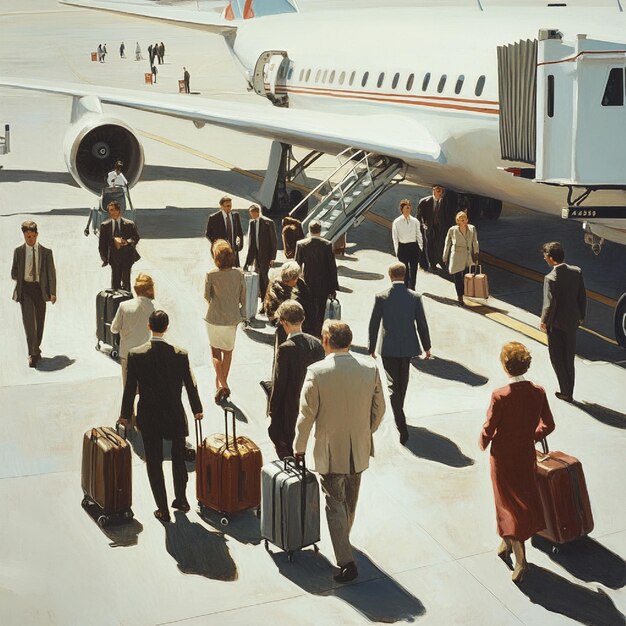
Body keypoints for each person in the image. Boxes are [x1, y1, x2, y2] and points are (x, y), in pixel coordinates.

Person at [294, 321, 385, 583]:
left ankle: (345, 561)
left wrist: (299, 448)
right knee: (350, 500)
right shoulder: (369, 368)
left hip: (329, 450)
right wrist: (365, 431)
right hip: (358, 448)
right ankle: (344, 539)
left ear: (325, 341)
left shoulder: (316, 372)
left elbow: (306, 415)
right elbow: (379, 409)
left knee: (334, 504)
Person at [479, 341, 555, 583]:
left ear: (505, 366)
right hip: (525, 455)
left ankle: (521, 560)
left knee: (507, 504)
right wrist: (531, 436)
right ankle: (506, 543)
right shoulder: (538, 392)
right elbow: (549, 425)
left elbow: (490, 428)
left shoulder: (500, 396)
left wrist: (482, 441)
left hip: (502, 457)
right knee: (520, 501)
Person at [118, 310, 203, 524]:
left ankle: (162, 509)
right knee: (178, 459)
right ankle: (181, 499)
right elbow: (190, 385)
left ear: (149, 326)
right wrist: (197, 409)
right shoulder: (180, 354)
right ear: (166, 327)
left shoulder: (136, 355)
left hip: (149, 415)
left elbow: (130, 389)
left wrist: (125, 415)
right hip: (174, 413)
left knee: (154, 462)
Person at [368, 262, 431, 444]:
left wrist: (371, 346)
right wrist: (427, 347)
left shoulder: (381, 297)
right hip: (408, 347)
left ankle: (399, 420)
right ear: (405, 276)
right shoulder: (415, 297)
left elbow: (374, 324)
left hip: (388, 348)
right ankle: (400, 415)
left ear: (390, 276)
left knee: (393, 385)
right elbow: (422, 324)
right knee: (403, 382)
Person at [268, 301, 324, 459]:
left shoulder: (286, 348)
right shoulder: (317, 344)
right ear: (302, 319)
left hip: (291, 407)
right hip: (314, 403)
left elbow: (280, 383)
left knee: (287, 448)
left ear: (284, 322)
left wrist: (272, 409)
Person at [540, 242, 587, 402]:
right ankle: (569, 390)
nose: (545, 259)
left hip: (557, 324)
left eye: (545, 256)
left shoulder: (550, 278)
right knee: (569, 357)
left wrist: (544, 322)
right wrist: (581, 315)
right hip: (572, 321)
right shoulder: (576, 272)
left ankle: (566, 392)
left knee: (557, 358)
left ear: (552, 259)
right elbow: (582, 296)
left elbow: (550, 304)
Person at [111, 273, 156, 426]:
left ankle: (129, 419)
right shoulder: (152, 307)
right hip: (144, 353)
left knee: (128, 389)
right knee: (144, 388)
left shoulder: (124, 306)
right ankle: (144, 419)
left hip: (127, 353)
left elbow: (114, 329)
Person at [204, 239, 246, 404]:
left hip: (214, 318)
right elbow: (243, 296)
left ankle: (222, 385)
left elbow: (207, 296)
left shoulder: (211, 274)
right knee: (228, 352)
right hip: (231, 318)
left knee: (215, 353)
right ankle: (221, 386)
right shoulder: (239, 274)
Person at [11, 221, 57, 368]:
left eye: (32, 236)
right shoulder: (18, 252)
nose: (29, 239)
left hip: (40, 290)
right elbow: (13, 272)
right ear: (23, 236)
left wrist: (53, 293)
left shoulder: (46, 252)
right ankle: (33, 353)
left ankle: (36, 348)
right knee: (29, 323)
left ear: (36, 235)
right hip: (26, 290)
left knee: (40, 322)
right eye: (27, 236)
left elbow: (51, 274)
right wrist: (20, 276)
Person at [295, 220, 339, 337]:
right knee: (321, 309)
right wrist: (333, 288)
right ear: (320, 231)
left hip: (307, 283)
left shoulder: (301, 244)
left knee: (308, 308)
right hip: (323, 284)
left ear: (309, 230)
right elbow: (332, 268)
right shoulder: (327, 245)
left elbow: (296, 266)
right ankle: (318, 332)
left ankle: (308, 330)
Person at [264, 261, 315, 347]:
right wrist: (281, 322)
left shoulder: (301, 285)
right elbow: (270, 308)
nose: (296, 281)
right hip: (284, 327)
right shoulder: (275, 286)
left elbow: (309, 305)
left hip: (301, 327)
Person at [99, 200, 140, 291]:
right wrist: (105, 259)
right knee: (115, 284)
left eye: (114, 210)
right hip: (114, 259)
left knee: (126, 282)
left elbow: (136, 237)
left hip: (127, 257)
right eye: (110, 210)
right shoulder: (105, 226)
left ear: (119, 211)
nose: (112, 212)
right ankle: (115, 303)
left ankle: (127, 302)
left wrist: (127, 241)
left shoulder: (129, 224)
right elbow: (102, 244)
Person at [243, 204, 277, 314]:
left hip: (266, 256)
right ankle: (263, 301)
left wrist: (273, 257)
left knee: (264, 279)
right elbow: (251, 244)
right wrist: (248, 262)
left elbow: (273, 240)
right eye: (250, 214)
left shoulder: (268, 222)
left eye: (252, 213)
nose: (251, 215)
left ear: (257, 212)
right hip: (256, 257)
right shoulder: (252, 223)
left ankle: (267, 302)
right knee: (259, 279)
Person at [417, 184, 458, 271]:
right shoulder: (425, 201)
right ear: (433, 190)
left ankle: (441, 261)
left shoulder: (445, 202)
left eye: (442, 191)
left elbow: (448, 215)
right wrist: (423, 225)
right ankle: (432, 264)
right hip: (429, 227)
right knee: (430, 245)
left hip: (440, 227)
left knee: (440, 245)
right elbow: (419, 216)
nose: (440, 193)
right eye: (438, 191)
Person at [442, 210, 479, 305]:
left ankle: (466, 292)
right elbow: (447, 243)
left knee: (466, 276)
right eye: (460, 219)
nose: (463, 220)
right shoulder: (452, 230)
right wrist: (445, 256)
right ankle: (460, 296)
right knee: (457, 277)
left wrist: (476, 252)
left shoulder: (472, 228)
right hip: (457, 255)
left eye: (464, 219)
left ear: (467, 220)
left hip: (467, 255)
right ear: (457, 221)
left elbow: (475, 241)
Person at [391, 198, 423, 290]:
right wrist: (397, 250)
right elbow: (395, 237)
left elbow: (419, 234)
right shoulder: (397, 222)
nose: (408, 210)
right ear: (402, 209)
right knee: (404, 270)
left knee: (414, 269)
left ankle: (412, 287)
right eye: (406, 208)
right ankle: (405, 287)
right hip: (403, 247)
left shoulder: (415, 221)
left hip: (413, 246)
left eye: (409, 208)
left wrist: (420, 247)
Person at [205, 195, 244, 267]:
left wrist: (240, 245)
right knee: (223, 273)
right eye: (227, 206)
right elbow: (208, 234)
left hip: (233, 251)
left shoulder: (235, 216)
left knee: (235, 273)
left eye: (230, 206)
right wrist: (217, 244)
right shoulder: (214, 218)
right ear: (221, 206)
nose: (229, 208)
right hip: (221, 254)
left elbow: (240, 232)